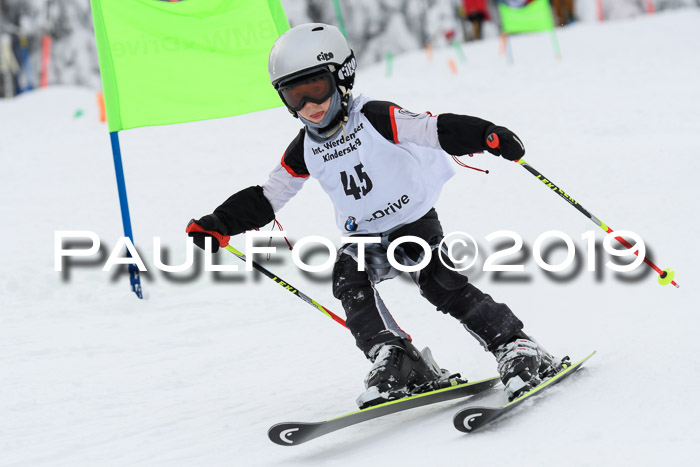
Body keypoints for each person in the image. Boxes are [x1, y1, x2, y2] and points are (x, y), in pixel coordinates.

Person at [187, 23, 563, 408]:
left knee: (438, 282)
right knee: (348, 277)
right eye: (294, 97)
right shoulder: (305, 148)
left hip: (413, 222)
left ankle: (515, 344)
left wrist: (485, 134)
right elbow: (268, 196)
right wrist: (220, 223)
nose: (309, 107)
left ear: (342, 76)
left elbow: (432, 130)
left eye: (315, 89)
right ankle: (396, 357)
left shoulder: (374, 116)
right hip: (365, 236)